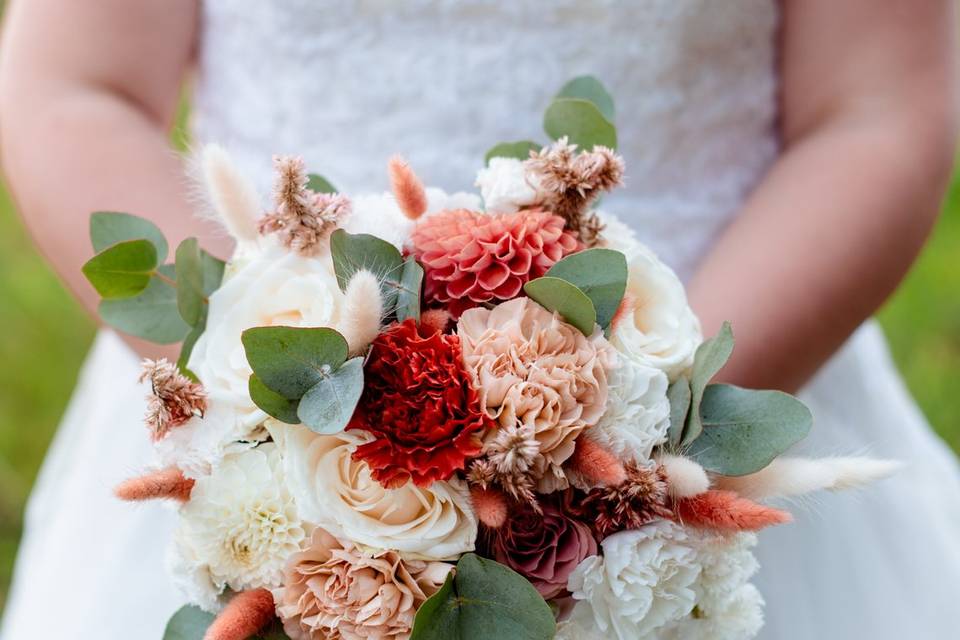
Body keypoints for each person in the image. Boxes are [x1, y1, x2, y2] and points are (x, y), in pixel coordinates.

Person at [1, 1, 958, 638]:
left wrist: (636, 426)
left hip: (740, 341)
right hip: (255, 392)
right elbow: (77, 87)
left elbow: (873, 111)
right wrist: (273, 413)